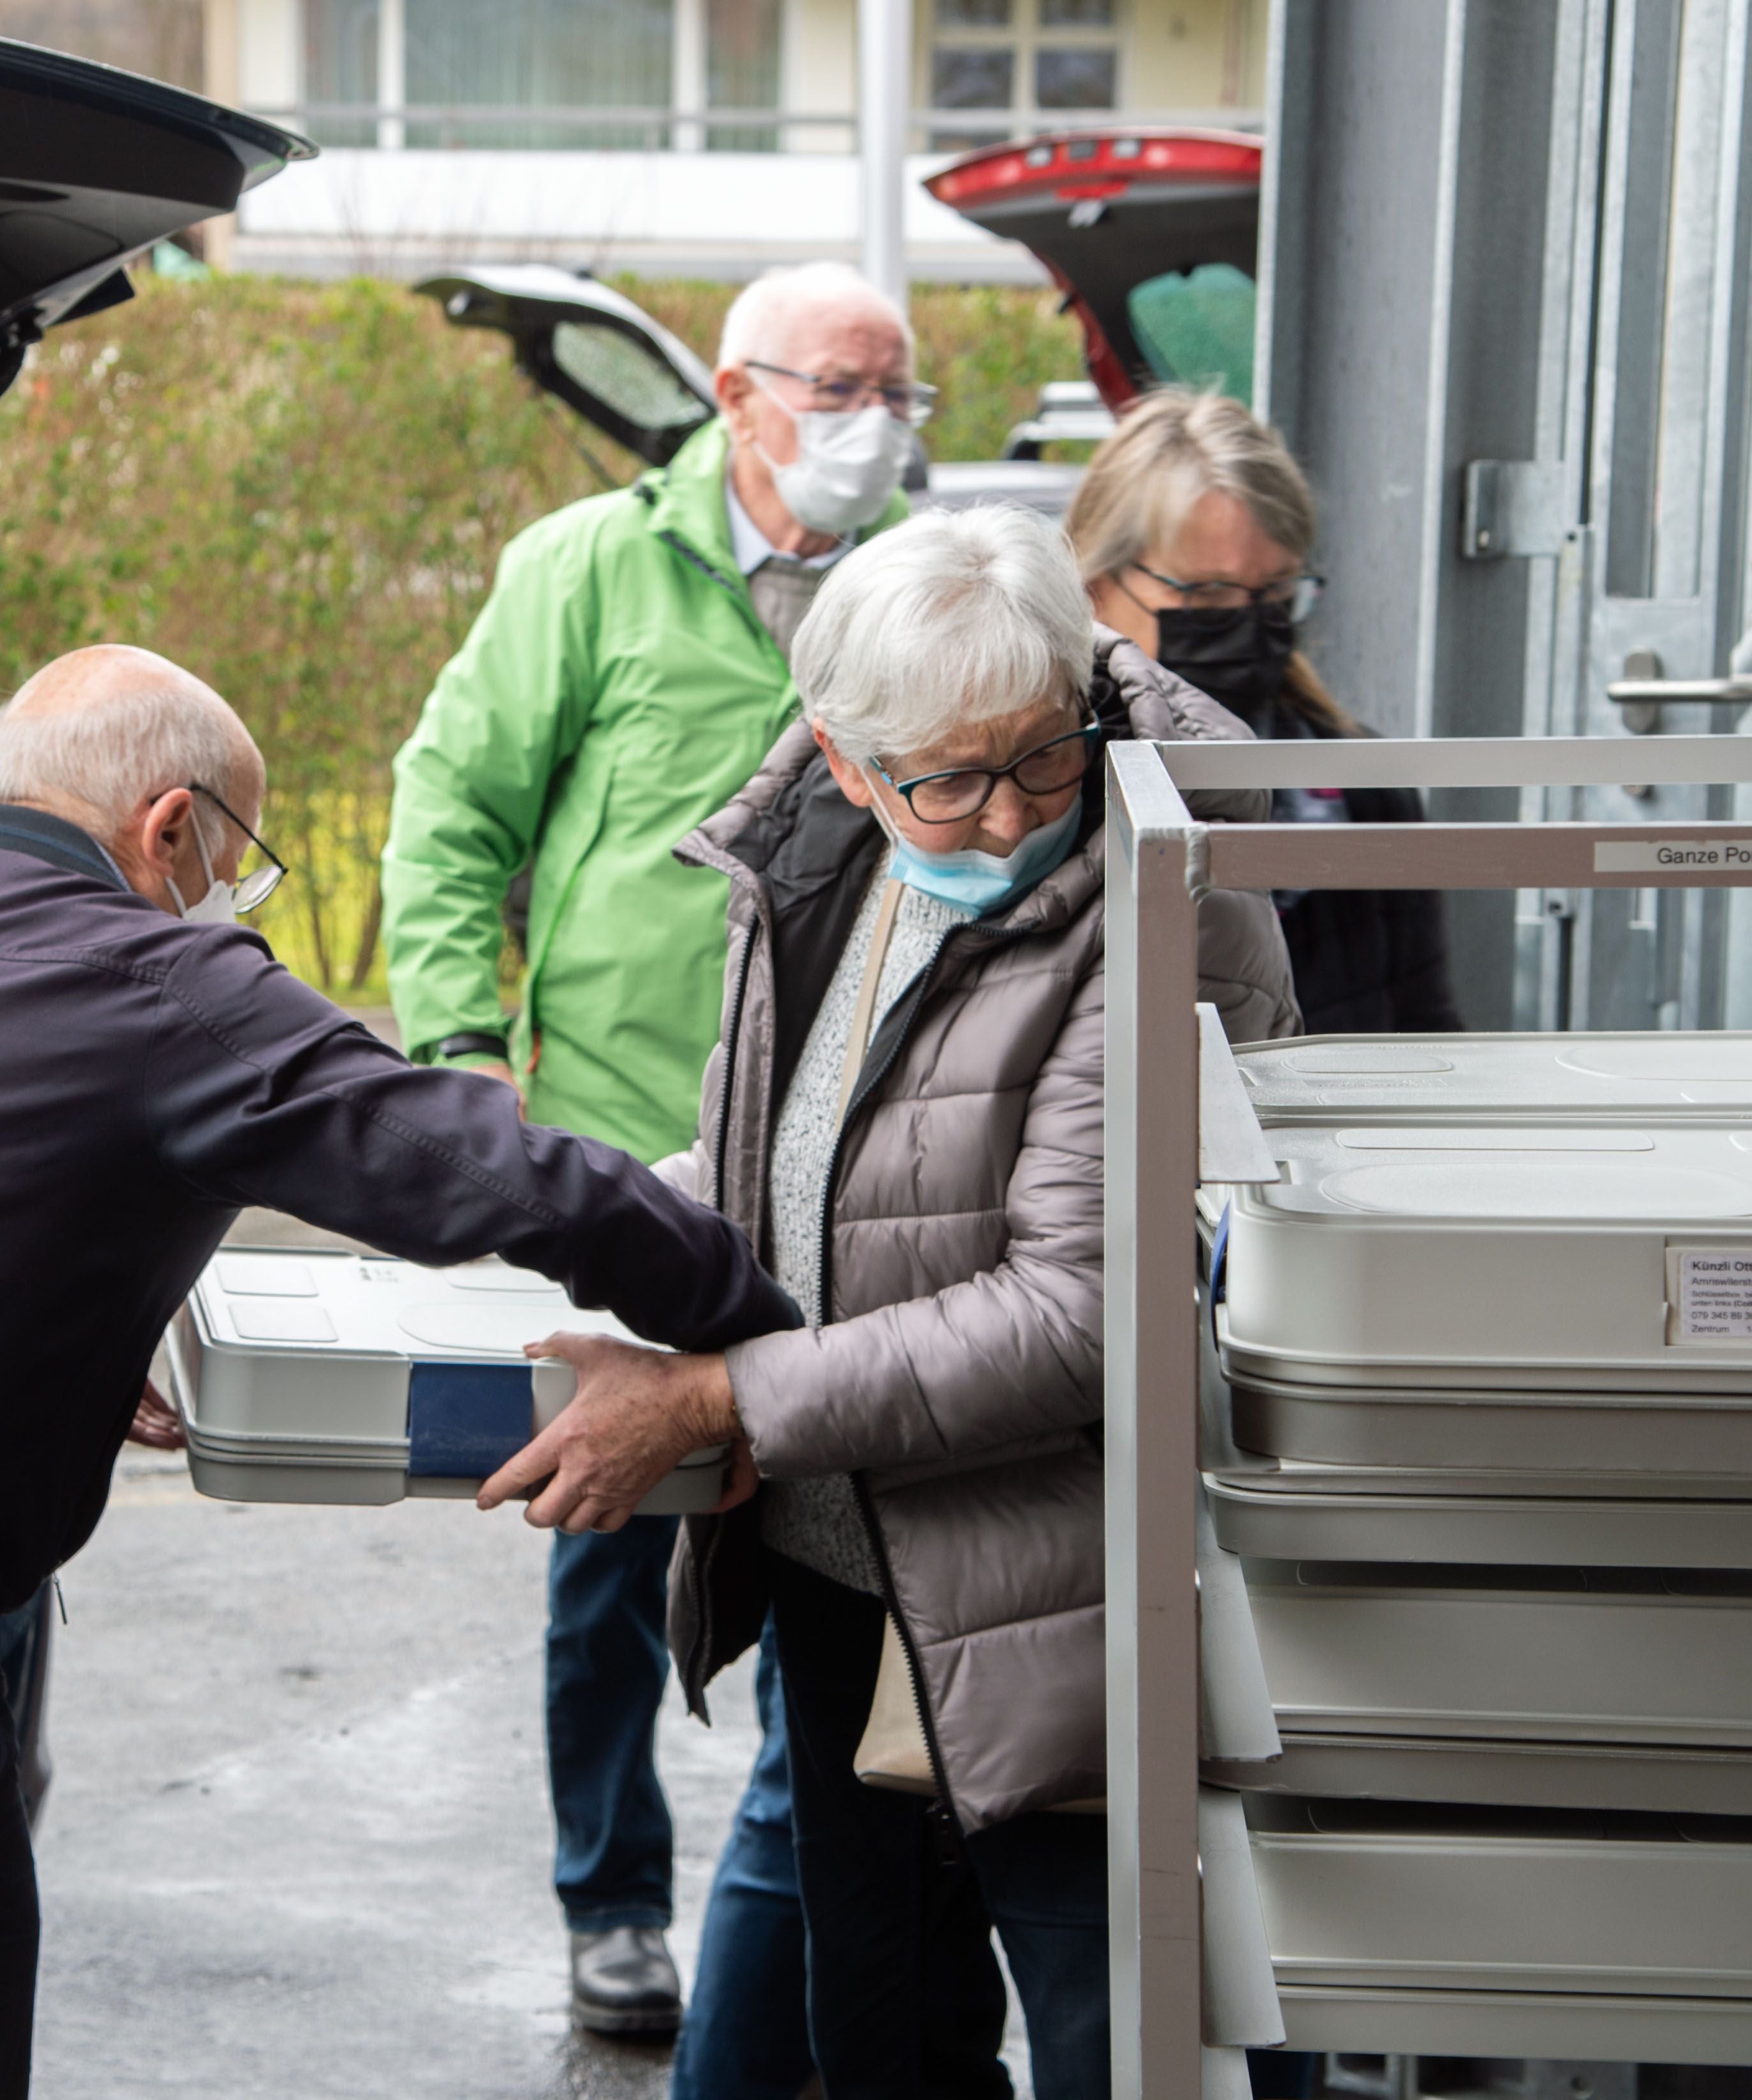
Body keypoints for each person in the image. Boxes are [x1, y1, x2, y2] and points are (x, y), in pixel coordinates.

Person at [0, 646, 798, 2100]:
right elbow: (471, 1163)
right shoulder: (155, 969)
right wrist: (745, 1313)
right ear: (171, 827)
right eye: (240, 859)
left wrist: (40, 1322)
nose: (235, 900)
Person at [481, 508, 1298, 2099]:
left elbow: (1075, 1311)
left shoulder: (1154, 900)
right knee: (884, 2044)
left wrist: (721, 1399)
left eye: (1041, 760)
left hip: (1072, 1604)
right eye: (946, 778)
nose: (1002, 820)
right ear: (843, 758)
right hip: (844, 1577)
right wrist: (605, 1238)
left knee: (1124, 2043)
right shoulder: (816, 855)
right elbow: (787, 1145)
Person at [381, 259, 923, 2053]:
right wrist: (459, 1054)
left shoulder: (923, 590)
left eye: (898, 392)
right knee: (611, 1529)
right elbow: (453, 806)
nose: (877, 426)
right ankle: (611, 1898)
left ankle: (793, 1895)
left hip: (857, 1151)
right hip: (628, 1143)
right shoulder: (591, 571)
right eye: (841, 390)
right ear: (742, 394)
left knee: (843, 1513)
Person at [1072, 389, 1461, 1035]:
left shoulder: (1365, 792)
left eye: (1276, 591)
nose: (1249, 622)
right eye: (1207, 592)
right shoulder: (1041, 794)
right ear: (1096, 590)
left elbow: (1428, 1037)